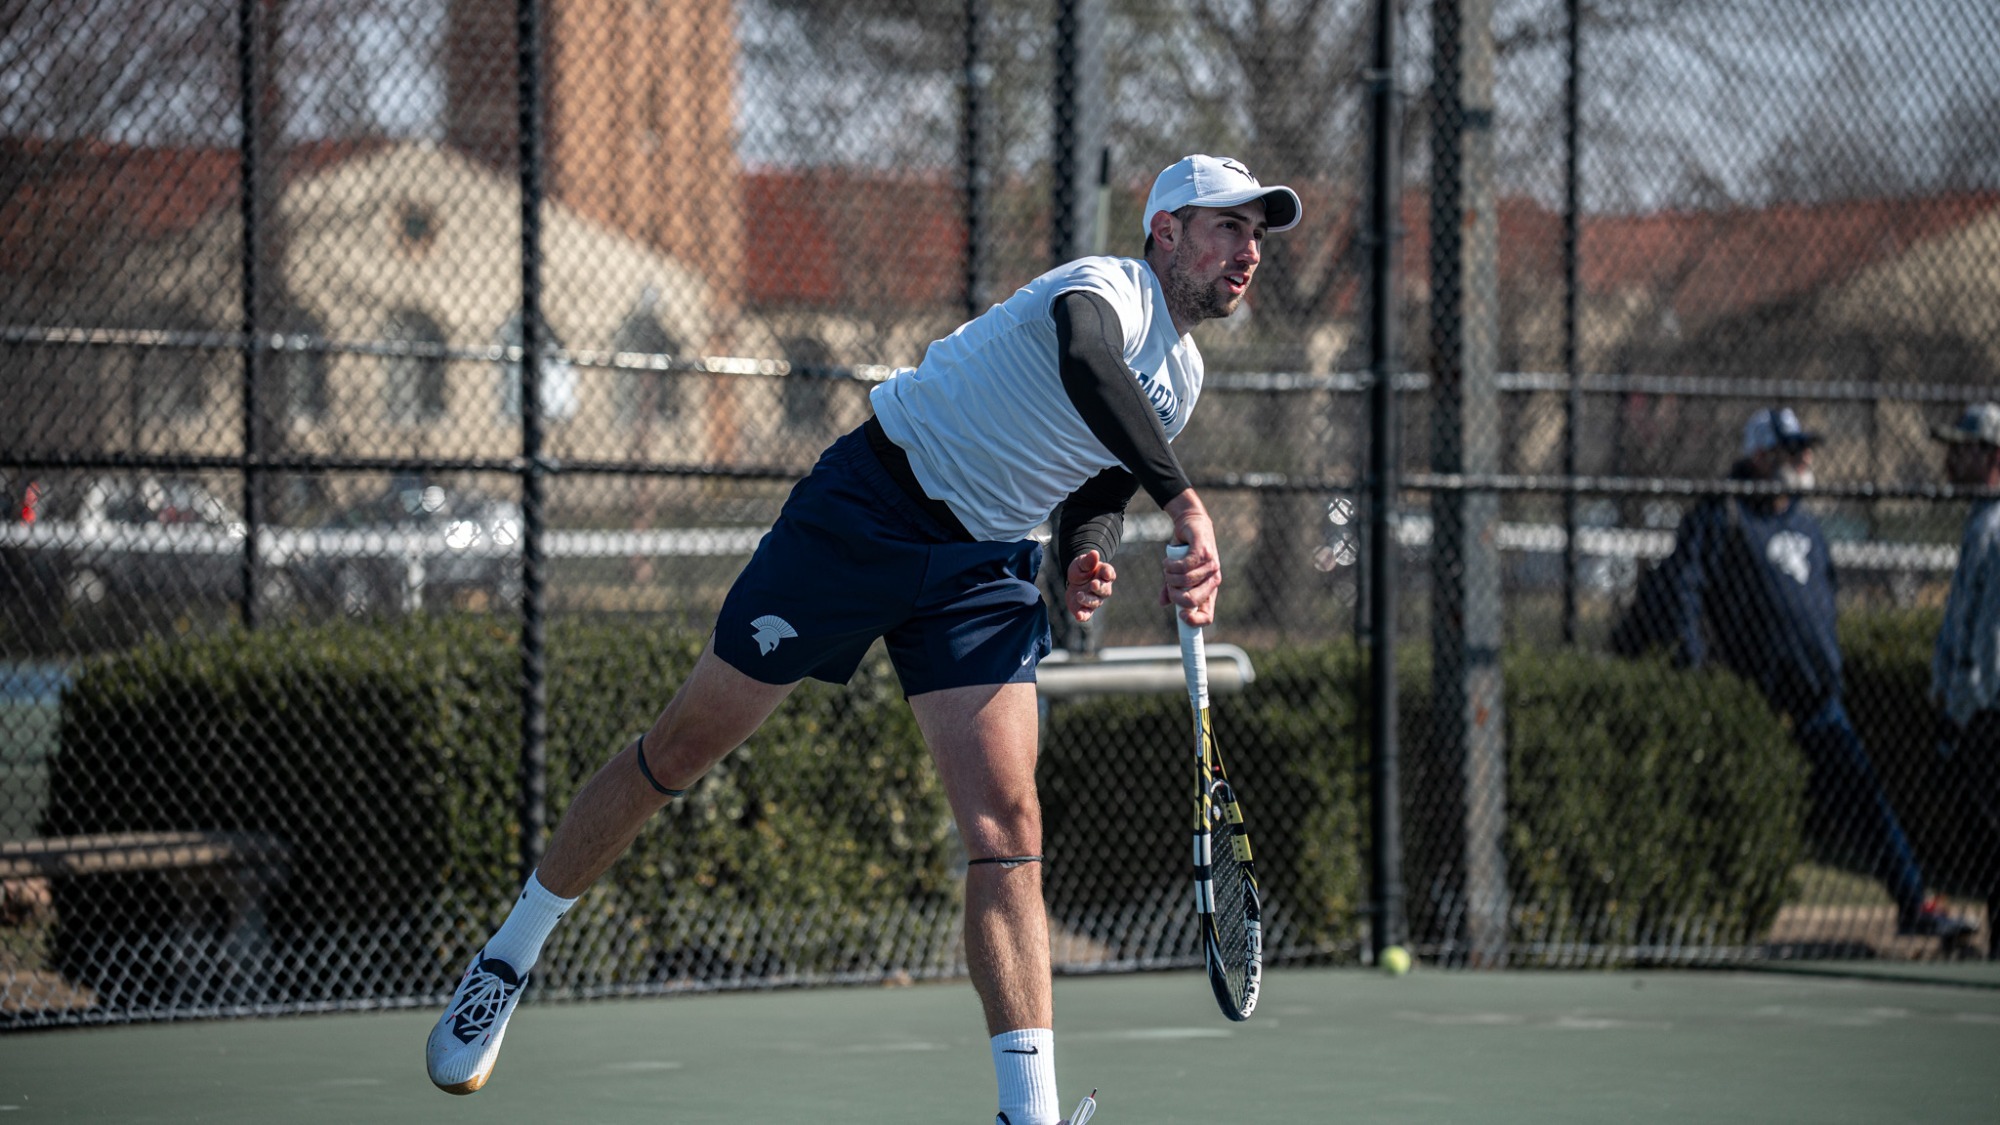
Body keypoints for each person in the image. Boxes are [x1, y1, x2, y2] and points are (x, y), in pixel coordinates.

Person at [424, 154, 1303, 1123]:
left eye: (1256, 235)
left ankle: (1028, 1114)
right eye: (1226, 226)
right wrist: (1184, 497)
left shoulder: (1180, 377)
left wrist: (1086, 555)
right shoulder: (1105, 291)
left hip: (981, 569)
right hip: (869, 509)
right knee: (682, 745)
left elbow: (1096, 490)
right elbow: (1084, 361)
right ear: (1165, 231)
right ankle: (510, 952)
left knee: (1007, 833)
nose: (1247, 251)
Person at [1655, 406, 1974, 942]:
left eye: (1805, 448)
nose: (1805, 458)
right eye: (1792, 448)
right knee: (1732, 814)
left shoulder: (1804, 519)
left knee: (1866, 802)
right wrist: (1697, 667)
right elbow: (1682, 594)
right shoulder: (1722, 516)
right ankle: (1703, 917)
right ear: (1760, 456)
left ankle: (1915, 902)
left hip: (1817, 701)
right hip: (1754, 703)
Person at [1930, 402, 2000, 959]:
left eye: (1963, 449)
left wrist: (1969, 704)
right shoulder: (1980, 519)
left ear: (1992, 456)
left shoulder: (1995, 527)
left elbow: (1990, 637)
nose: (1951, 460)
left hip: (1989, 712)